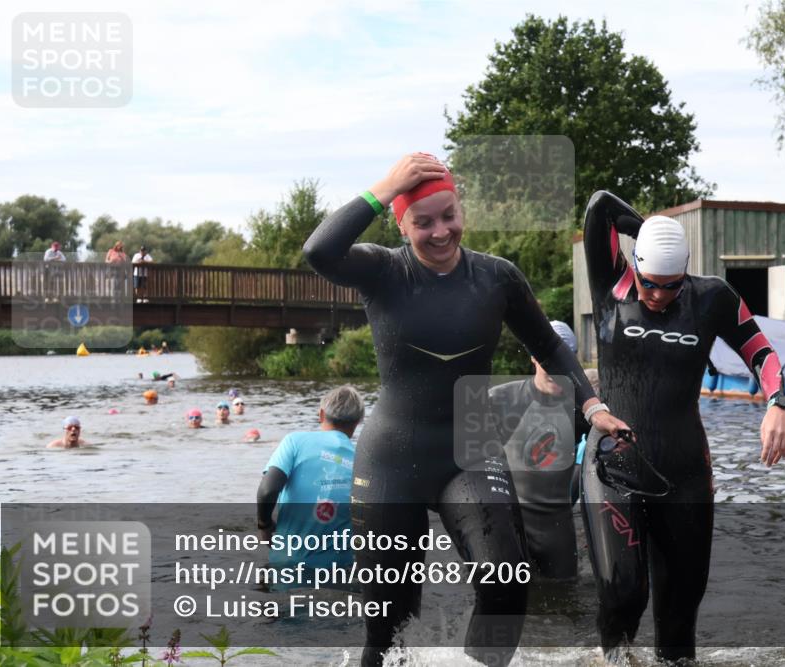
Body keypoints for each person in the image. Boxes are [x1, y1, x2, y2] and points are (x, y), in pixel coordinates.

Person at [303, 153, 630, 667]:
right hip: (393, 452)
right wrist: (387, 185)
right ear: (402, 222)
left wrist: (592, 405)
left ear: (462, 210)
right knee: (386, 618)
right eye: (423, 222)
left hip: (470, 442)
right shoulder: (384, 270)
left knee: (506, 583)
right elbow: (319, 251)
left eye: (448, 215)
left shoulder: (496, 278)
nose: (440, 232)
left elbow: (549, 344)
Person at [580, 190, 785, 663]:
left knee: (679, 618)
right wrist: (651, 228)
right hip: (612, 467)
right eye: (649, 282)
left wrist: (778, 403)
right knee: (623, 593)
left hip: (683, 471)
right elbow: (600, 206)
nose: (657, 296)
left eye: (670, 286)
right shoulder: (610, 284)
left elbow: (762, 352)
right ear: (634, 266)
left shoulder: (712, 297)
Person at [487, 321, 591, 580]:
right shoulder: (500, 399)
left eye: (564, 359)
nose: (557, 368)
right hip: (509, 527)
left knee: (566, 600)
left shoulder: (584, 411)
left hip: (557, 532)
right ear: (534, 357)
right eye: (549, 359)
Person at [256, 386, 364, 587]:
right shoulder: (363, 460)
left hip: (288, 567)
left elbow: (267, 490)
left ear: (321, 414)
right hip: (339, 573)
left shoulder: (295, 442)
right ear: (358, 421)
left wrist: (264, 525)